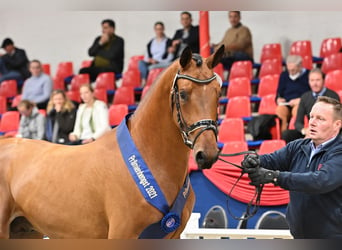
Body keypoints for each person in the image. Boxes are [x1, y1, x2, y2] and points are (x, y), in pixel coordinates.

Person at [243, 96, 342, 239]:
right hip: (299, 236)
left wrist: (275, 177)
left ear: (337, 125)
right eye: (312, 116)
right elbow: (271, 160)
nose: (312, 122)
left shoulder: (339, 152)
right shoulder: (297, 147)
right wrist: (254, 159)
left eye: (320, 119)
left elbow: (320, 181)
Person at [282, 68, 340, 143]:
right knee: (287, 134)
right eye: (312, 80)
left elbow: (336, 121)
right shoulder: (305, 97)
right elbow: (298, 122)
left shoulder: (333, 95)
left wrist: (316, 132)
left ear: (323, 81)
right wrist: (305, 131)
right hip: (311, 131)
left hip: (327, 130)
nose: (314, 83)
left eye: (317, 80)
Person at [276, 54, 311, 132]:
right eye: (289, 70)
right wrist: (279, 99)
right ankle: (283, 136)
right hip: (286, 103)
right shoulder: (284, 75)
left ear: (300, 66)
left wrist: (301, 100)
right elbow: (278, 93)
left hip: (301, 103)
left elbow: (311, 94)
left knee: (297, 111)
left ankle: (296, 134)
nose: (291, 72)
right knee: (280, 111)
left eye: (293, 70)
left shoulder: (308, 75)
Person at [138, 21, 173, 86]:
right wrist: (150, 60)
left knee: (152, 67)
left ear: (163, 29)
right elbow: (146, 57)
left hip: (162, 62)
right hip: (152, 62)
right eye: (157, 29)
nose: (159, 31)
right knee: (141, 62)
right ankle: (144, 80)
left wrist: (158, 61)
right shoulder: (151, 42)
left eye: (160, 29)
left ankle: (148, 77)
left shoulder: (169, 41)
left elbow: (170, 58)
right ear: (155, 30)